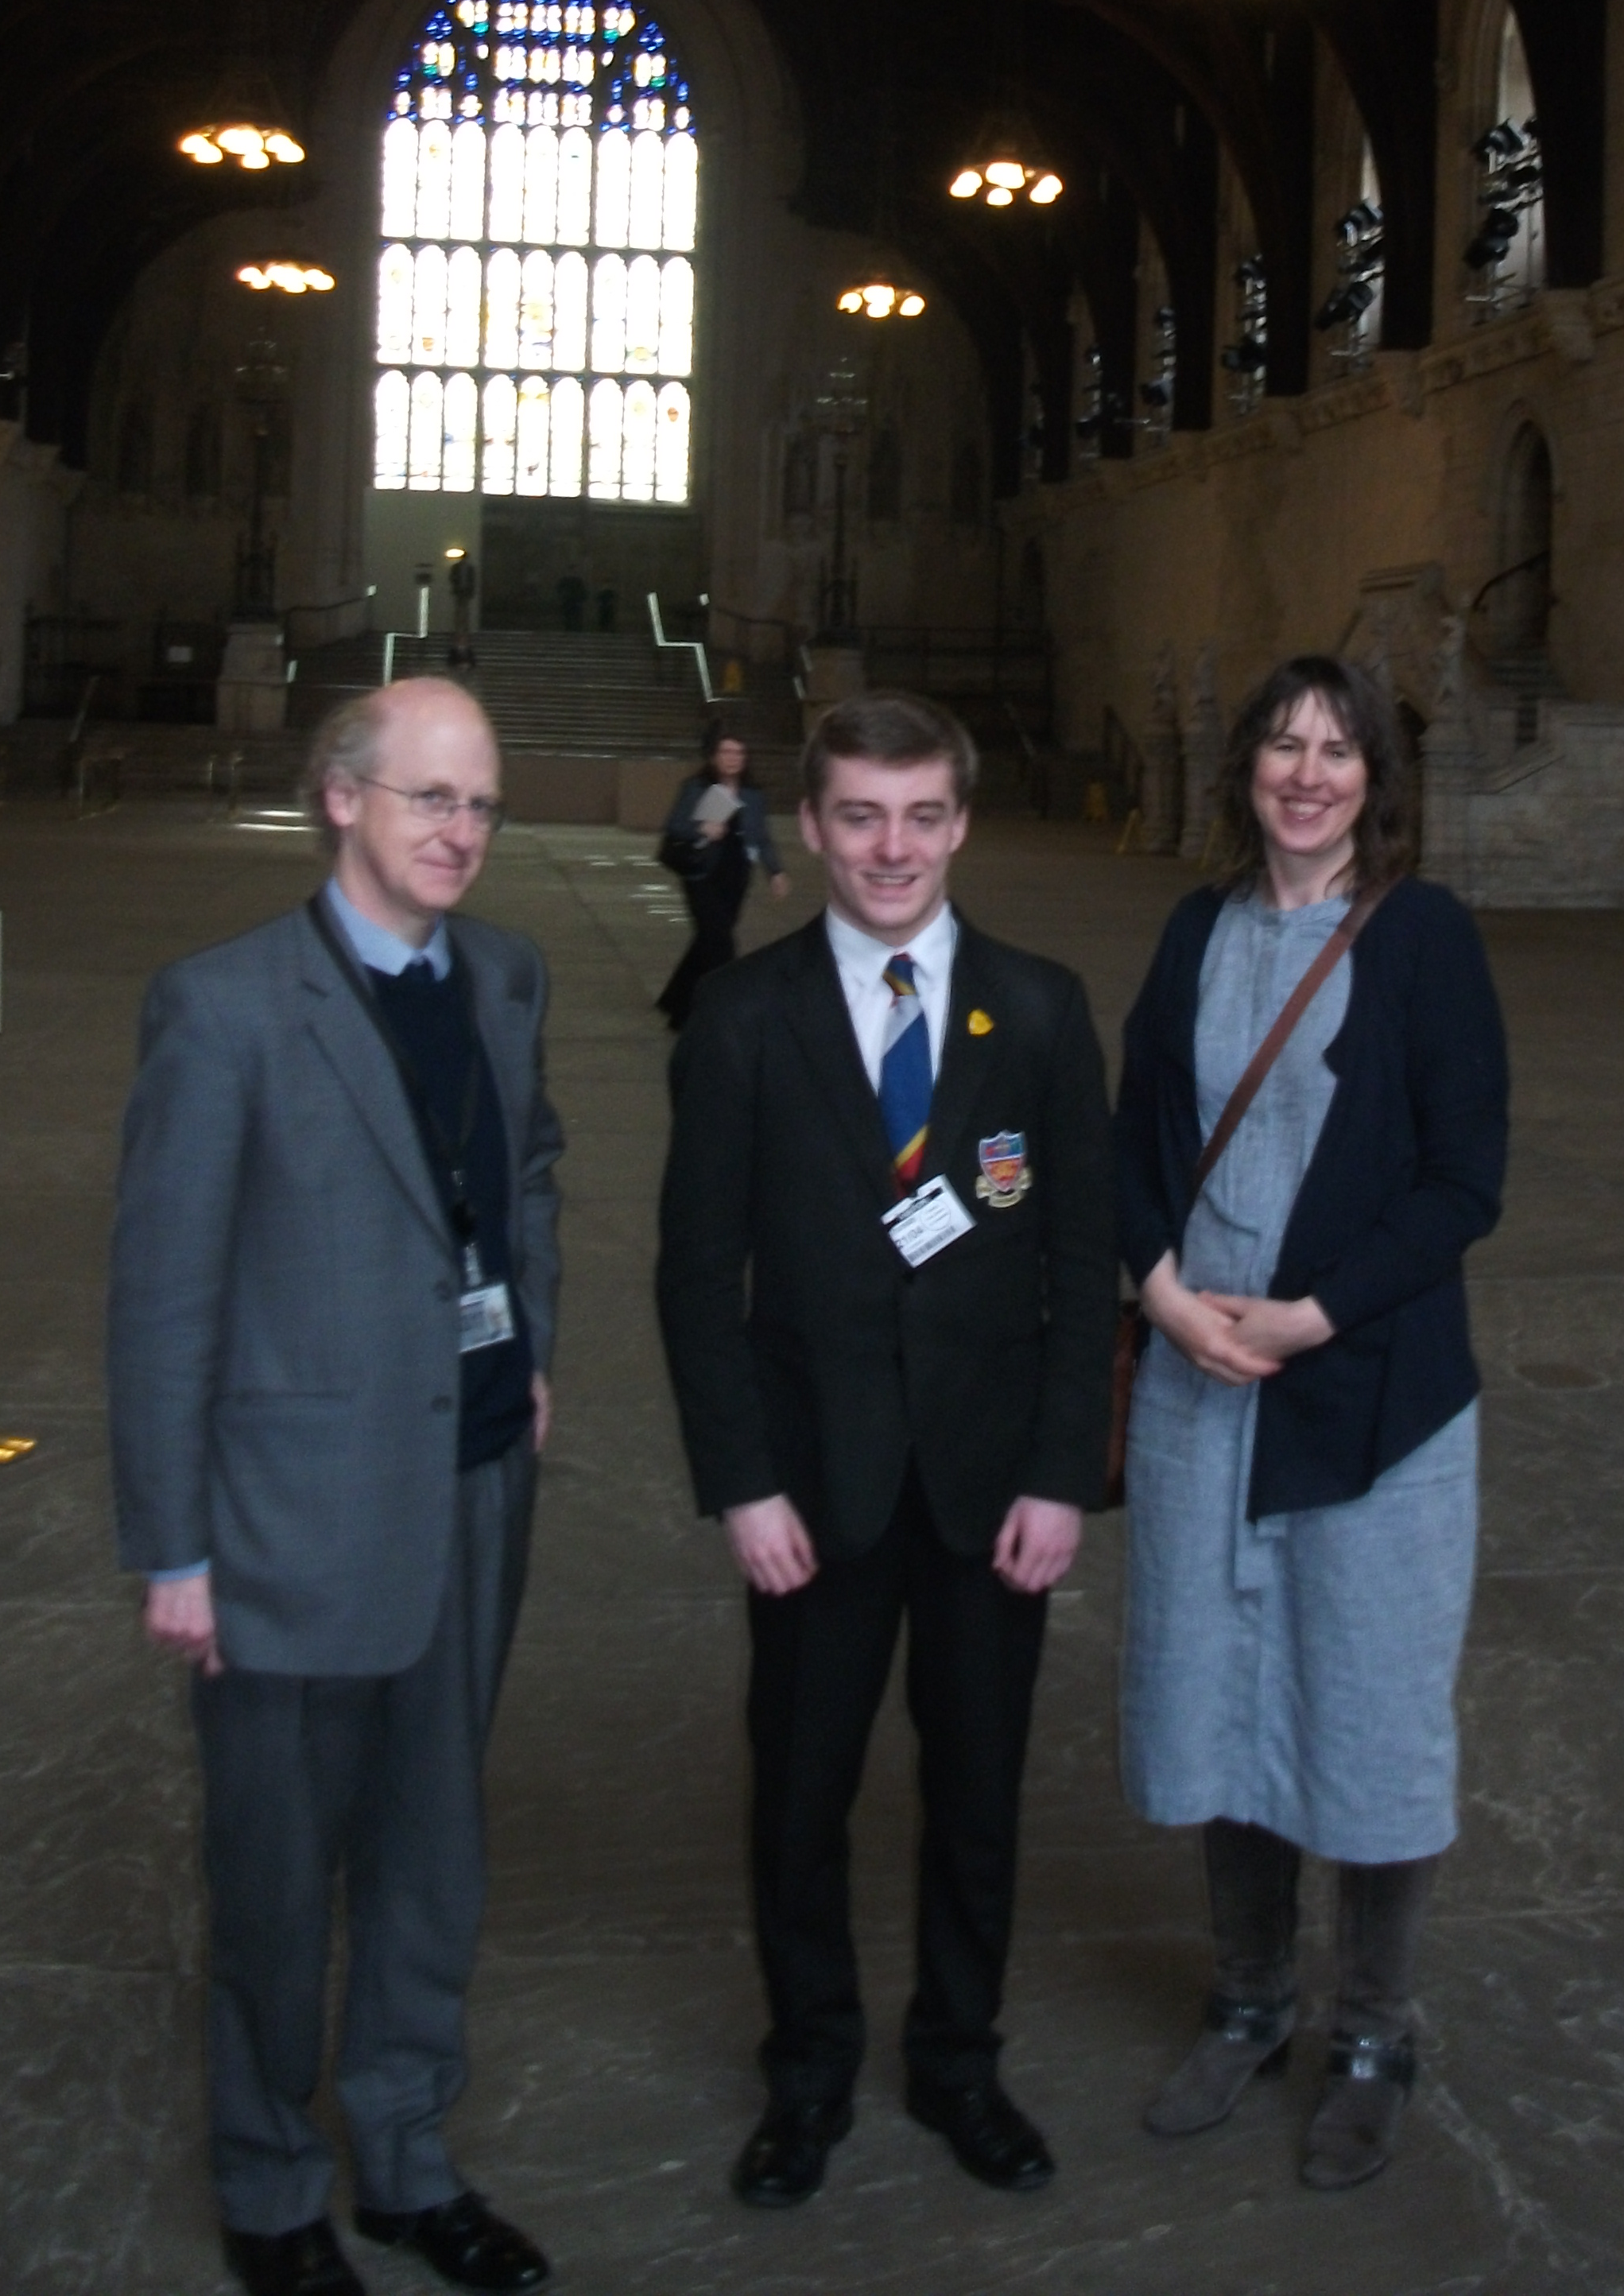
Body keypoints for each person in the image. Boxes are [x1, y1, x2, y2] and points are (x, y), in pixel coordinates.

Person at [107, 678, 561, 2296]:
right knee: (279, 1876)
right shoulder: (224, 1003)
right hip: (285, 1517)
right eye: (429, 796)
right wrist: (174, 1545)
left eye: (482, 803)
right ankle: (272, 2178)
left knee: (435, 1852)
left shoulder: (504, 976)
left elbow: (527, 1173)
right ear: (341, 799)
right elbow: (162, 1296)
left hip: (471, 1483)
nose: (459, 831)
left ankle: (408, 2155)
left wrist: (538, 1348)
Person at [655, 689, 1118, 2209]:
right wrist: (742, 1483)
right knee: (801, 1795)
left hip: (993, 1496)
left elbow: (1077, 1264)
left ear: (962, 822)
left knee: (979, 1791)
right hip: (815, 1491)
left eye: (922, 815)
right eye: (860, 814)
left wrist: (1064, 1475)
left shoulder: (1040, 1010)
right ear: (815, 822)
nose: (891, 847)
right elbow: (694, 1274)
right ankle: (808, 2073)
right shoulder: (743, 1019)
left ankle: (959, 2061)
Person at [1115, 654, 1508, 2194]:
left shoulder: (1425, 938)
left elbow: (1462, 1179)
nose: (1306, 769)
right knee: (1223, 1702)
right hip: (1204, 1386)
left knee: (1369, 1705)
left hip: (1370, 1402)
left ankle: (1373, 2028)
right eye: (1282, 741)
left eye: (1336, 748)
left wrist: (1312, 1312)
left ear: (1375, 781)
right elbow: (1133, 1127)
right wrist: (1162, 1293)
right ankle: (1251, 1998)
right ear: (1249, 770)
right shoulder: (1196, 928)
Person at [654, 714, 789, 1030]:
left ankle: (676, 1000)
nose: (733, 759)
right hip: (701, 874)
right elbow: (674, 826)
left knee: (707, 940)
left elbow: (761, 836)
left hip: (735, 877)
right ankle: (713, 1015)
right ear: (715, 756)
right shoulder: (696, 788)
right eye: (727, 753)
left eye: (738, 754)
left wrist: (776, 872)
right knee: (720, 945)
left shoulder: (752, 795)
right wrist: (701, 827)